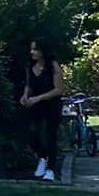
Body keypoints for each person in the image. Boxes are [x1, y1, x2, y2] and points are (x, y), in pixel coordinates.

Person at [20, 37, 65, 180]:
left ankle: (51, 169)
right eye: (31, 49)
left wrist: (38, 97)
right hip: (35, 104)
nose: (32, 52)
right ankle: (42, 157)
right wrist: (25, 95)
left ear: (42, 51)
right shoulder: (30, 66)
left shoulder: (53, 65)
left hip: (52, 104)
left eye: (35, 49)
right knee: (31, 134)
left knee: (50, 135)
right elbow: (29, 84)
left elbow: (59, 89)